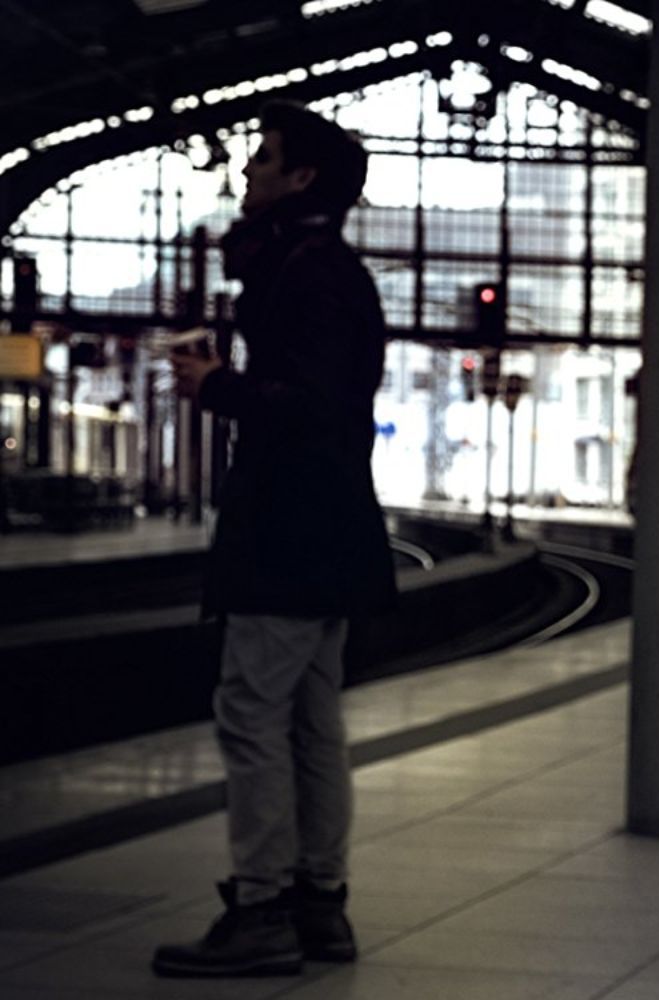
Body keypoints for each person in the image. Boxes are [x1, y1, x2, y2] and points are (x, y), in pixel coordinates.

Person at [157, 100, 394, 978]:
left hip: (291, 533)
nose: (249, 170)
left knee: (254, 716)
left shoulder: (313, 272)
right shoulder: (312, 269)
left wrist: (219, 386)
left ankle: (263, 907)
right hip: (322, 531)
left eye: (264, 157)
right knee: (306, 721)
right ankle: (318, 905)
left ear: (301, 178)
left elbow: (315, 407)